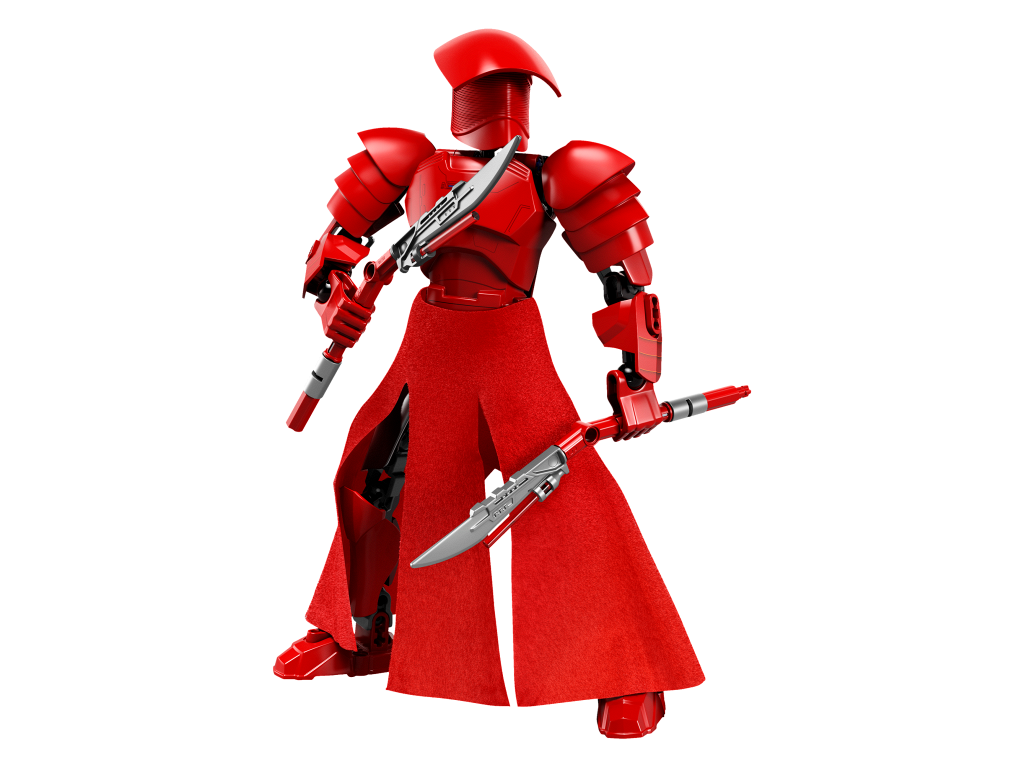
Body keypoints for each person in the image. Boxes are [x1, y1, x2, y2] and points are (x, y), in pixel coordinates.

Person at [274, 29, 704, 739]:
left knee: (576, 501)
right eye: (489, 93)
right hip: (431, 341)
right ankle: (360, 631)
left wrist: (638, 381)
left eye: (509, 93)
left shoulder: (560, 175)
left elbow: (626, 285)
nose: (499, 109)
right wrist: (338, 303)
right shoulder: (408, 162)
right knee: (378, 474)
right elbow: (330, 255)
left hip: (510, 342)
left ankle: (630, 667)